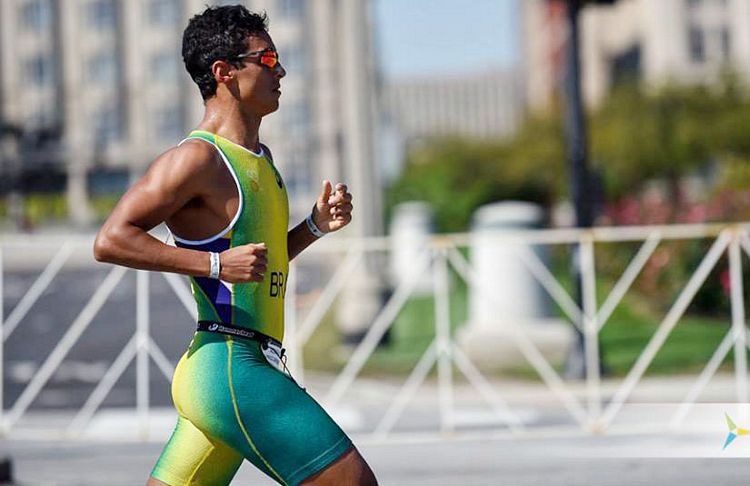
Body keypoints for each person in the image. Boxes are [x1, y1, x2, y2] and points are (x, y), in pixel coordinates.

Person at [93, 5, 377, 485]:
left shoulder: (260, 159)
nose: (281, 70)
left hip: (231, 371)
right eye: (266, 60)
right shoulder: (196, 159)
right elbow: (111, 239)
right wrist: (212, 264)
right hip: (229, 367)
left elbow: (257, 263)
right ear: (224, 72)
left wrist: (313, 226)